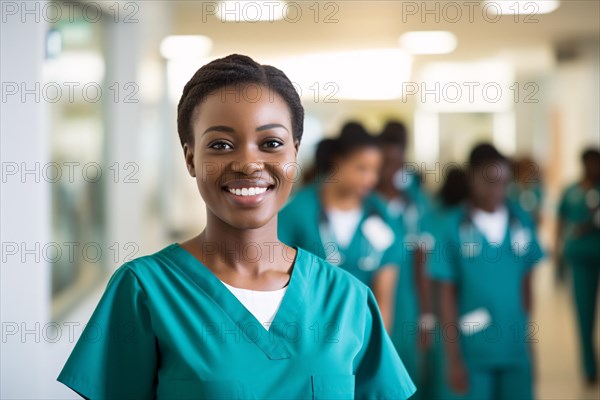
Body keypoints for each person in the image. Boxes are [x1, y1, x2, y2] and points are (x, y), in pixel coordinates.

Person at [56, 54, 416, 399]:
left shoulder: (347, 299)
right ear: (191, 158)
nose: (247, 163)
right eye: (221, 144)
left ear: (294, 153)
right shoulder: (144, 291)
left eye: (271, 143)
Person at [429, 143, 544, 400]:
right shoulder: (451, 227)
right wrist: (452, 360)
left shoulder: (520, 221)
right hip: (472, 353)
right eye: (489, 182)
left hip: (514, 350)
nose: (497, 191)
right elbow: (445, 297)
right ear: (471, 179)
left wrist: (529, 348)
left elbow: (526, 289)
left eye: (503, 183)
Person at [278, 122, 401, 331]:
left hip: (362, 333)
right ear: (338, 162)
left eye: (375, 170)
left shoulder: (382, 216)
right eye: (362, 168)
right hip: (306, 332)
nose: (370, 179)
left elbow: (384, 298)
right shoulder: (297, 212)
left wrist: (379, 350)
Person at [375, 120, 438, 399]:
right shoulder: (367, 205)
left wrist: (426, 315)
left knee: (408, 374)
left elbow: (422, 264)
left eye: (397, 163)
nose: (391, 170)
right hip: (372, 300)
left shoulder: (414, 206)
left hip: (407, 304)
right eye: (384, 163)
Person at [556, 147, 600, 386]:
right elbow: (561, 222)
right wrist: (558, 254)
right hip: (580, 258)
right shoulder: (571, 191)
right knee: (584, 314)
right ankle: (589, 368)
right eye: (589, 163)